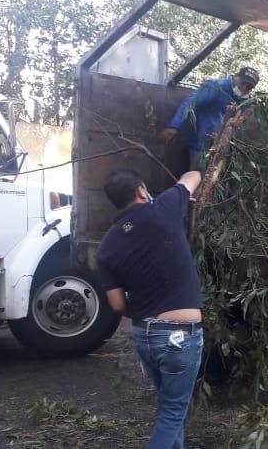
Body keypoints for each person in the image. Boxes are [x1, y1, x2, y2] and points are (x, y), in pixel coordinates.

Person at [97, 169, 204, 449]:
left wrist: (151, 311)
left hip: (145, 337)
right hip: (179, 337)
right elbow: (193, 175)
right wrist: (181, 194)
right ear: (142, 192)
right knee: (172, 413)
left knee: (170, 409)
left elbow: (118, 304)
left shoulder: (106, 246)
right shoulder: (165, 208)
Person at [161, 67, 260, 171]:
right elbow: (191, 103)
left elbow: (241, 115)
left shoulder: (241, 98)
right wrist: (175, 126)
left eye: (248, 87)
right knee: (198, 177)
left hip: (219, 146)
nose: (244, 88)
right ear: (236, 76)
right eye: (243, 83)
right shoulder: (216, 86)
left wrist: (241, 119)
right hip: (201, 145)